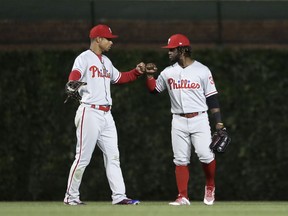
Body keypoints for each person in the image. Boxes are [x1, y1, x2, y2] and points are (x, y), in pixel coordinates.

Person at [64, 24, 145, 205]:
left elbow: (119, 78)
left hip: (107, 115)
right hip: (89, 111)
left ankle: (119, 196)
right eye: (108, 39)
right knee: (83, 157)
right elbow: (74, 76)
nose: (111, 42)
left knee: (113, 156)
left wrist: (136, 73)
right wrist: (72, 82)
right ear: (98, 39)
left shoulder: (106, 61)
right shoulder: (83, 58)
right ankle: (71, 197)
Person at [145, 34, 226, 206]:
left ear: (182, 50)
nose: (169, 52)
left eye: (172, 49)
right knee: (180, 159)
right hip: (178, 120)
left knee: (205, 155)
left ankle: (210, 185)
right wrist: (150, 76)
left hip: (199, 118)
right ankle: (183, 196)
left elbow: (212, 98)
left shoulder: (202, 70)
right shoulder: (168, 72)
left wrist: (218, 122)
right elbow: (154, 90)